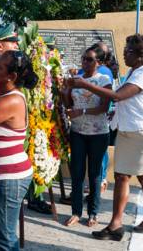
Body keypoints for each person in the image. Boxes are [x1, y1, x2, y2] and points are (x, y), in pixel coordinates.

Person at [69, 34, 143, 241]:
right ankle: (115, 225)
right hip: (128, 131)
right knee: (121, 176)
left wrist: (85, 85)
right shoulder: (133, 71)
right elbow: (123, 100)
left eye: (128, 50)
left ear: (141, 55)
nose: (124, 53)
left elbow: (118, 96)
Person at [0, 50, 38, 251]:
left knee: (4, 239)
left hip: (9, 179)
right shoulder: (1, 92)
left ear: (11, 77)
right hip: (1, 176)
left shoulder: (12, 100)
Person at [62, 46, 111, 227]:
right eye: (83, 58)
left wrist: (81, 110)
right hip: (78, 132)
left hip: (98, 133)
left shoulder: (103, 79)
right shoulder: (76, 79)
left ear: (98, 62)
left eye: (90, 59)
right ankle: (76, 212)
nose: (85, 62)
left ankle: (93, 213)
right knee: (77, 173)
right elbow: (69, 104)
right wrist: (66, 91)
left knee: (94, 174)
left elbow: (104, 108)